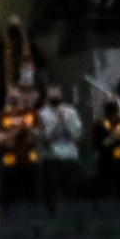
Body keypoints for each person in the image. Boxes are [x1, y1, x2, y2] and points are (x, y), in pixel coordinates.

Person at [37, 85, 82, 214]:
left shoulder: (71, 112)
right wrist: (57, 123)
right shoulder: (42, 113)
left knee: (69, 183)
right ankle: (52, 209)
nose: (54, 97)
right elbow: (43, 136)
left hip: (69, 154)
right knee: (51, 184)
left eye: (56, 94)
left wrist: (65, 122)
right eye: (52, 94)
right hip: (51, 155)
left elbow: (77, 134)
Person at [94, 98, 120, 203]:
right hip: (107, 159)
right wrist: (110, 139)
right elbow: (98, 143)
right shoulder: (101, 124)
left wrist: (119, 138)